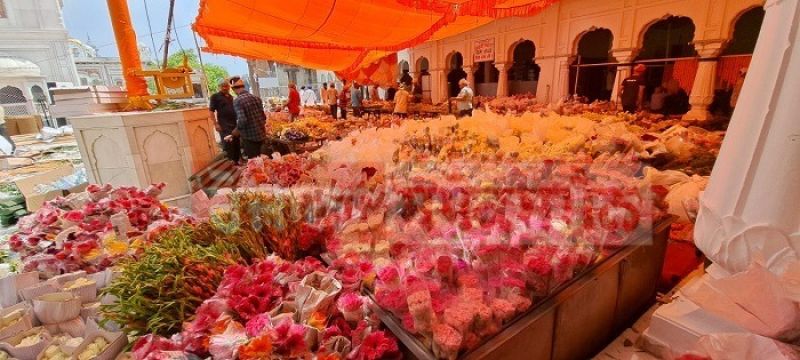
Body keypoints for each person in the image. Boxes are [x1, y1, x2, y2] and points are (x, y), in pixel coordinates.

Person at [229, 77, 267, 159]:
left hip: (250, 138)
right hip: (261, 135)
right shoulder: (256, 98)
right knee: (261, 159)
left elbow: (242, 120)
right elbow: (263, 117)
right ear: (243, 87)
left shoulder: (238, 101)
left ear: (233, 89)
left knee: (254, 163)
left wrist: (236, 129)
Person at [209, 79, 240, 164]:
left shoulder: (231, 97)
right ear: (219, 87)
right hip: (224, 125)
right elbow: (211, 111)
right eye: (223, 86)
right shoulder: (215, 97)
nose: (225, 88)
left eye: (226, 86)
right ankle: (229, 163)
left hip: (234, 124)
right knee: (228, 144)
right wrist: (216, 124)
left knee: (236, 142)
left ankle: (237, 161)